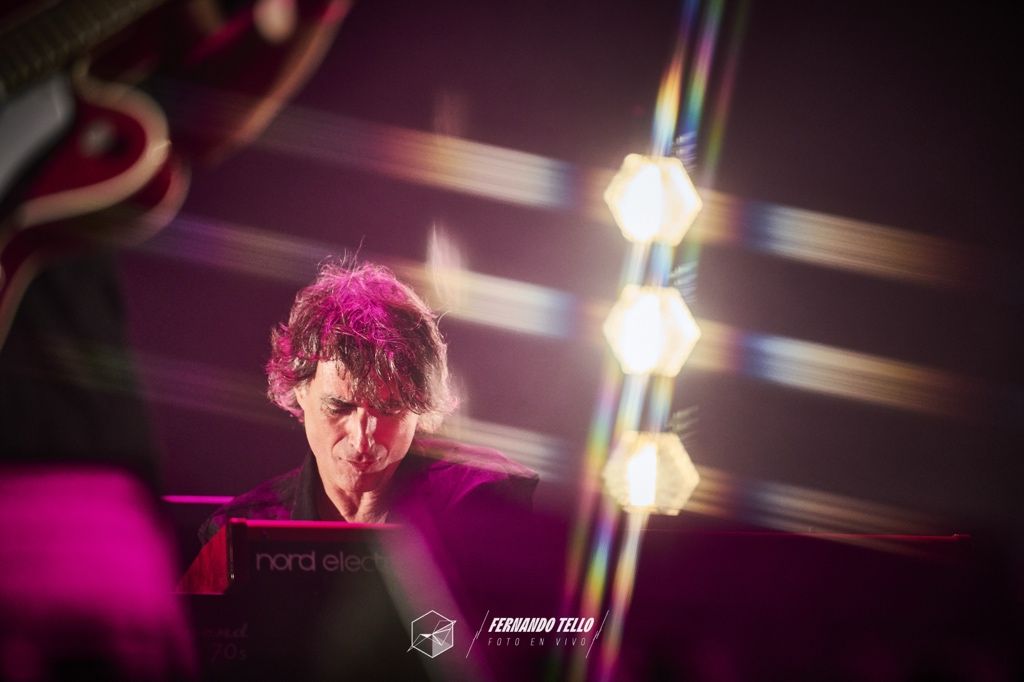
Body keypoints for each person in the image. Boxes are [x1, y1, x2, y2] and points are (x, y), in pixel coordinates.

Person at [196, 259, 538, 545]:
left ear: (420, 406)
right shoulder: (238, 535)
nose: (363, 440)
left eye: (388, 410)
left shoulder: (479, 501)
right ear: (300, 390)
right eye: (340, 407)